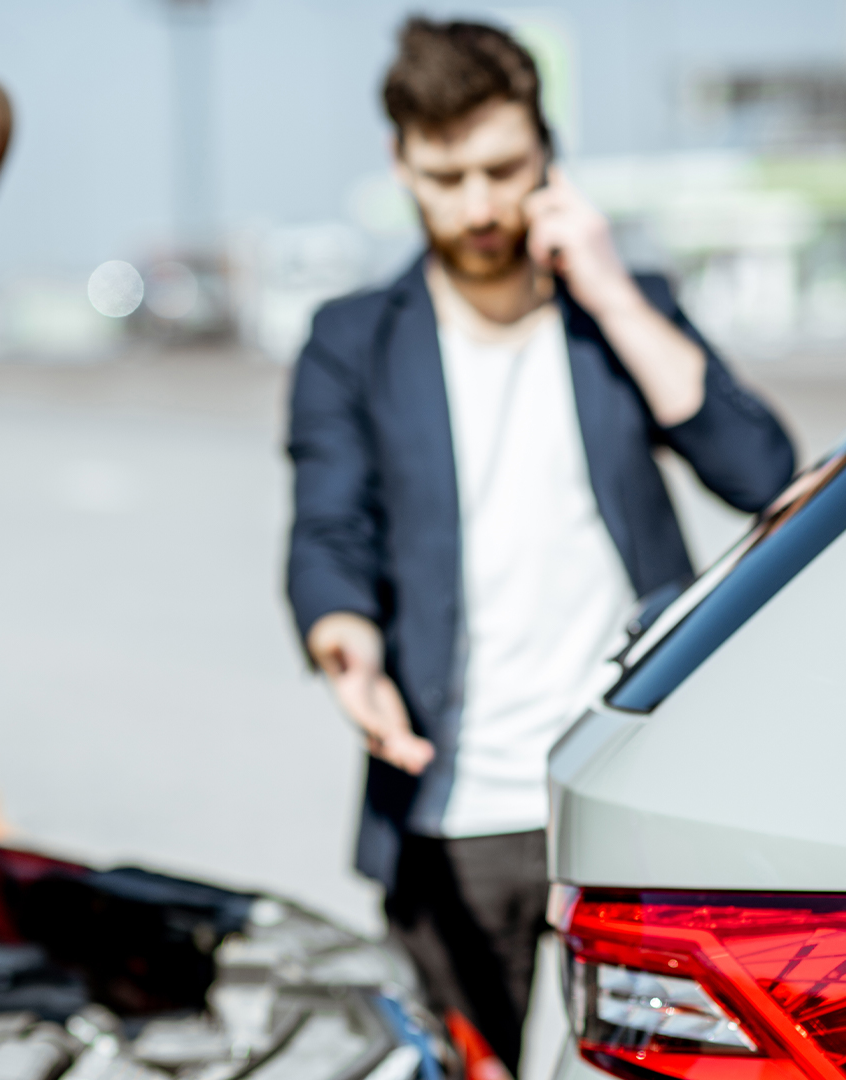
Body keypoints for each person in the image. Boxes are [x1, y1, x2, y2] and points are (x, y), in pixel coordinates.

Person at [286, 19, 796, 1074]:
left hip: (624, 798)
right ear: (401, 166)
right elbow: (328, 525)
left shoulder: (622, 312)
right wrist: (348, 647)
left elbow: (762, 473)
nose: (478, 206)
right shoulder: (354, 342)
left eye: (504, 170)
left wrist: (608, 290)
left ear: (549, 158)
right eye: (447, 176)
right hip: (449, 811)